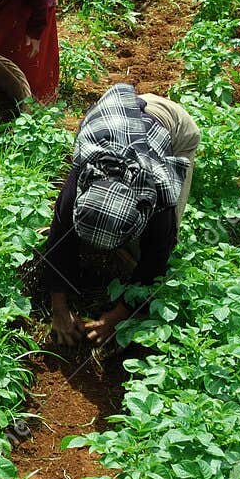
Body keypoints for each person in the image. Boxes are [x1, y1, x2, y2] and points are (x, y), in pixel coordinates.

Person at [43, 84, 198, 348]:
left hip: (173, 124)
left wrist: (117, 317)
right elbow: (59, 237)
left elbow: (156, 260)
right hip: (125, 113)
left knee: (142, 252)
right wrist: (59, 308)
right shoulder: (85, 174)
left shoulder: (159, 195)